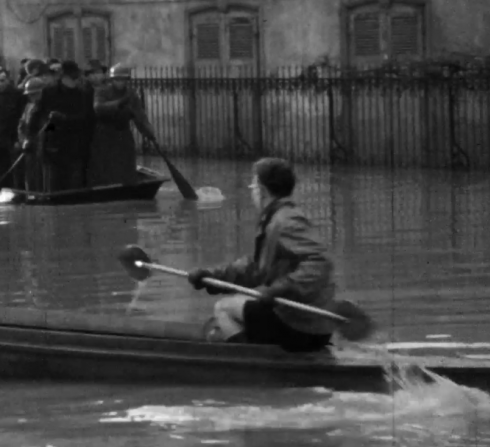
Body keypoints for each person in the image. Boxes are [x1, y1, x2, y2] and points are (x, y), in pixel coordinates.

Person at [187, 157, 337, 352]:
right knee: (238, 302)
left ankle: (250, 361)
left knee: (223, 308)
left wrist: (281, 288)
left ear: (263, 190)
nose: (252, 192)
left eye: (253, 186)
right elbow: (255, 268)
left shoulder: (286, 222)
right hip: (306, 322)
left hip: (303, 326)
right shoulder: (279, 217)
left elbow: (320, 263)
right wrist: (212, 277)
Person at [26, 59, 94, 192]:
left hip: (75, 145)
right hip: (52, 144)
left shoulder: (83, 94)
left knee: (74, 187)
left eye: (74, 78)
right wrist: (30, 137)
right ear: (63, 76)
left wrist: (66, 119)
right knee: (53, 184)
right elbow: (36, 115)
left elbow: (89, 119)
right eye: (70, 78)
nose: (73, 81)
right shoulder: (49, 92)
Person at [86, 64, 155, 186]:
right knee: (104, 165)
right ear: (112, 80)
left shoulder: (131, 95)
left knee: (126, 164)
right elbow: (98, 107)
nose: (120, 83)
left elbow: (140, 117)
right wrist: (119, 103)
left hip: (123, 133)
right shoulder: (102, 91)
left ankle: (127, 184)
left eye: (123, 80)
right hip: (104, 134)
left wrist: (149, 132)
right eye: (117, 79)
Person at [16, 77, 46, 192]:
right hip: (29, 147)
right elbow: (21, 125)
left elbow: (51, 127)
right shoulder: (28, 107)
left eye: (36, 94)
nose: (33, 97)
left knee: (41, 175)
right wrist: (23, 140)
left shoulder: (47, 108)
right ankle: (31, 196)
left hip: (42, 147)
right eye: (31, 95)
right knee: (30, 174)